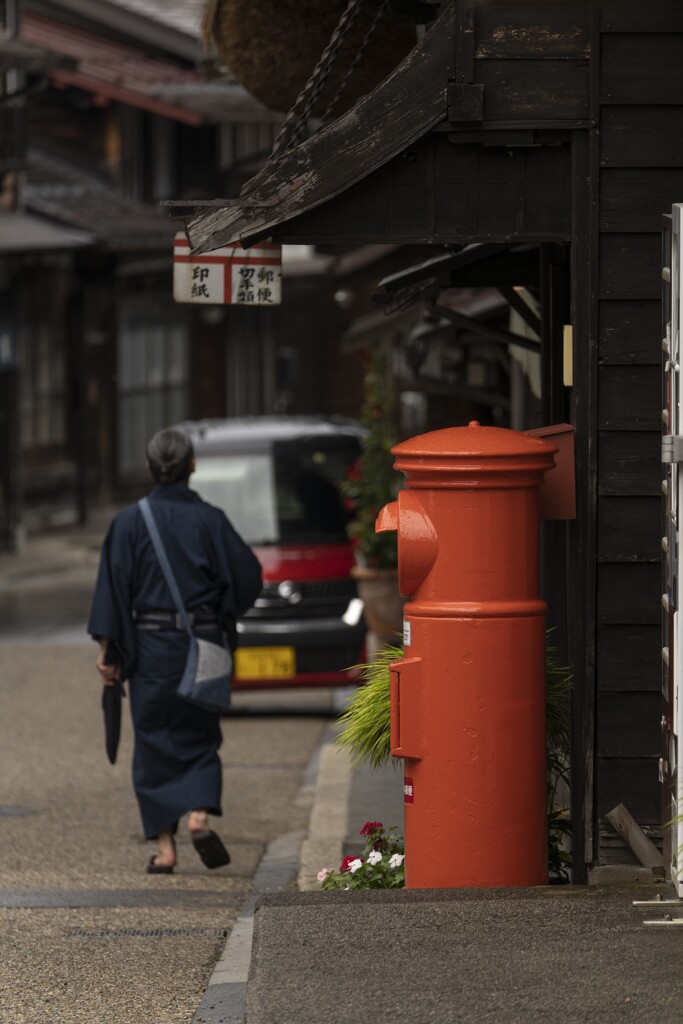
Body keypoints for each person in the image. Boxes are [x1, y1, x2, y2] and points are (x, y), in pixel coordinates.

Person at [88, 428, 262, 874]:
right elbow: (247, 578)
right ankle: (199, 816)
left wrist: (110, 651)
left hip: (149, 647)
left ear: (149, 469)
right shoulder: (211, 520)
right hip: (201, 644)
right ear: (193, 467)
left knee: (152, 743)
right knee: (201, 736)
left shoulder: (129, 522)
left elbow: (113, 590)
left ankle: (166, 851)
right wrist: (220, 615)